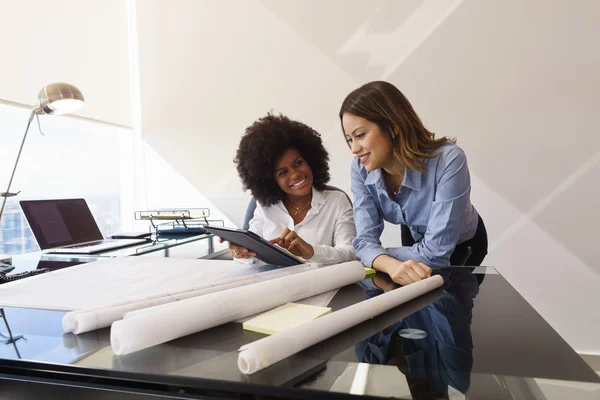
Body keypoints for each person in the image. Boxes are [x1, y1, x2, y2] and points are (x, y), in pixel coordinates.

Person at [340, 81, 487, 285]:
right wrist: (389, 264)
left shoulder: (449, 160)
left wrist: (377, 255)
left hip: (463, 244)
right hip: (415, 237)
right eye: (349, 140)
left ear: (392, 127)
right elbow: (364, 240)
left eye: (360, 135)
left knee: (451, 306)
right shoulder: (360, 169)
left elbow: (436, 253)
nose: (354, 149)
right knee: (417, 306)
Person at [227, 113, 356, 265]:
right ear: (270, 180)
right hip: (273, 284)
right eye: (283, 172)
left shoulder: (336, 201)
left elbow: (350, 253)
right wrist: (240, 252)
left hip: (324, 286)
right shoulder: (264, 207)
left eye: (298, 163)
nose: (295, 174)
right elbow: (252, 254)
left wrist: (310, 251)